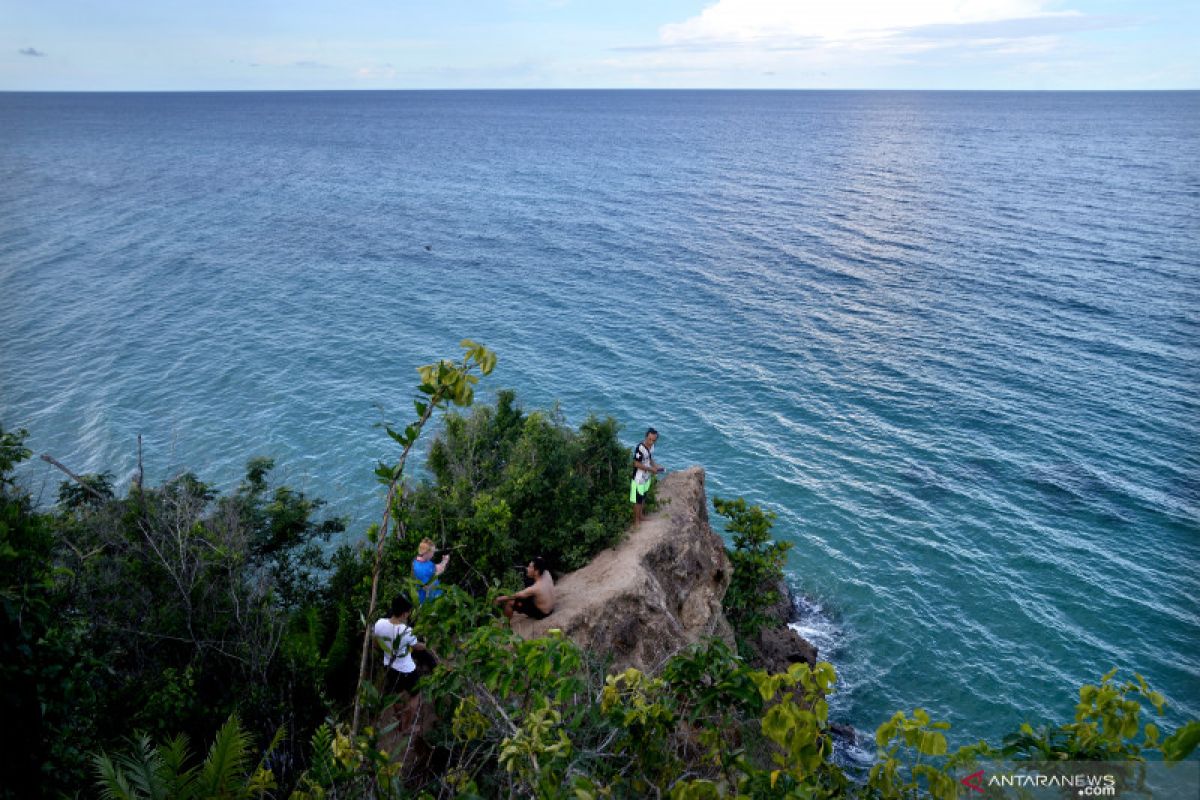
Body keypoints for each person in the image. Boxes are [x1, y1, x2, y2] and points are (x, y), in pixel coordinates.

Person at [372, 595, 429, 696]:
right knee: (415, 695)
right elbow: (417, 646)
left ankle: (399, 706)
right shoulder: (406, 631)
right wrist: (427, 644)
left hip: (389, 666)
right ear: (404, 614)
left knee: (397, 692)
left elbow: (376, 644)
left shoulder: (379, 623)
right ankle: (412, 709)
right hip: (407, 670)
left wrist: (388, 648)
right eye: (409, 612)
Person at [630, 427, 665, 527]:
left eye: (653, 440)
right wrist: (651, 469)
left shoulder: (652, 447)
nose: (651, 442)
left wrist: (656, 467)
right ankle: (636, 521)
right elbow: (636, 464)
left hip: (646, 477)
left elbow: (649, 458)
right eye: (649, 439)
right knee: (638, 500)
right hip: (638, 479)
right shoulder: (640, 448)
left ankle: (641, 516)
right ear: (646, 436)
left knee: (643, 497)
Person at [411, 538, 449, 603]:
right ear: (426, 552)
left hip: (432, 597)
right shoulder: (422, 569)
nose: (433, 554)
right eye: (432, 552)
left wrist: (443, 561)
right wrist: (445, 560)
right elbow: (439, 571)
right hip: (429, 602)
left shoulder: (417, 561)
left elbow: (436, 567)